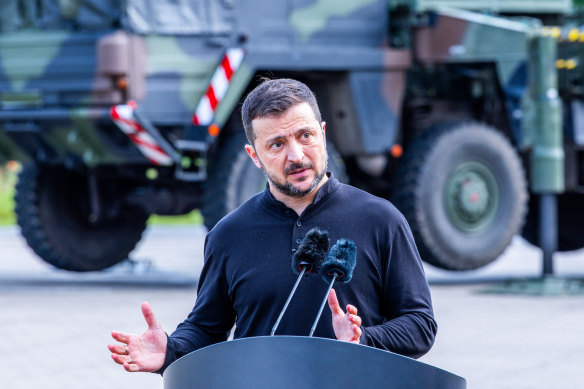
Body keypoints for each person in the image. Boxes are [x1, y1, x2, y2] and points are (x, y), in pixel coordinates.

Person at [108, 78, 437, 374]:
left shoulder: (381, 220)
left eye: (305, 136)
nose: (296, 155)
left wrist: (364, 338)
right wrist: (171, 350)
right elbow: (207, 327)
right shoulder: (229, 235)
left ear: (322, 134)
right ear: (254, 155)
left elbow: (420, 325)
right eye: (277, 144)